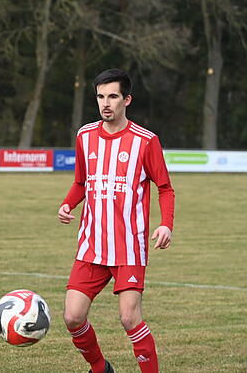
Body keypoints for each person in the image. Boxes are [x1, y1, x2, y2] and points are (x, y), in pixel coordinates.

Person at [57, 69, 174, 373]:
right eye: (100, 96)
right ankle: (100, 368)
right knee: (72, 317)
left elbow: (164, 188)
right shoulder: (85, 135)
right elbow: (82, 182)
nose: (105, 103)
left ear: (127, 99)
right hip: (92, 244)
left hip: (129, 247)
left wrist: (166, 223)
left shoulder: (145, 141)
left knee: (129, 318)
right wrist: (68, 204)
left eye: (112, 96)